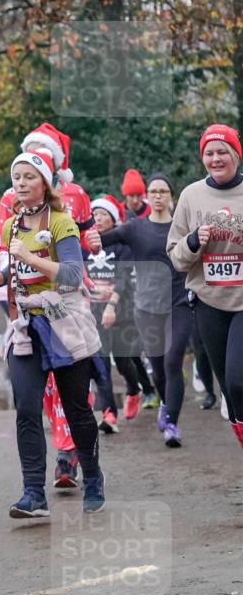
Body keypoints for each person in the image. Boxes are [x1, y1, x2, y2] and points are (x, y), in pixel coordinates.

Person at [0, 149, 105, 517]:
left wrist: (30, 257)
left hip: (63, 325)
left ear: (45, 183)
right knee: (26, 408)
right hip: (25, 328)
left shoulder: (61, 221)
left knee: (77, 410)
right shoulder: (9, 227)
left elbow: (70, 274)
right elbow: (9, 271)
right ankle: (33, 493)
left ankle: (94, 477)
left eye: (28, 177)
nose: (20, 183)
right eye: (16, 177)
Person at [100, 173, 191, 447]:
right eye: (153, 191)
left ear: (171, 196)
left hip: (180, 303)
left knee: (173, 360)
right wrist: (82, 231)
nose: (158, 195)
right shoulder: (134, 228)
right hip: (148, 307)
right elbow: (101, 240)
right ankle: (164, 403)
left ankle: (172, 425)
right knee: (159, 368)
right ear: (147, 196)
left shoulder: (183, 226)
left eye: (163, 191)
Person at [167, 123, 243, 449]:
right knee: (227, 387)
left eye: (222, 151)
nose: (216, 158)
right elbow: (176, 256)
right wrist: (194, 240)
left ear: (236, 155)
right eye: (209, 153)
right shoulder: (191, 195)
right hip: (209, 300)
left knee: (239, 381)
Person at [87, 195, 148, 427]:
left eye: (104, 214)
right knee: (101, 363)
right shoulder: (85, 244)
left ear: (113, 219)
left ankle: (134, 390)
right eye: (95, 215)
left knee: (123, 362)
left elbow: (123, 280)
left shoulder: (122, 245)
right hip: (94, 311)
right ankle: (109, 414)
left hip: (121, 310)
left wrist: (111, 305)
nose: (99, 218)